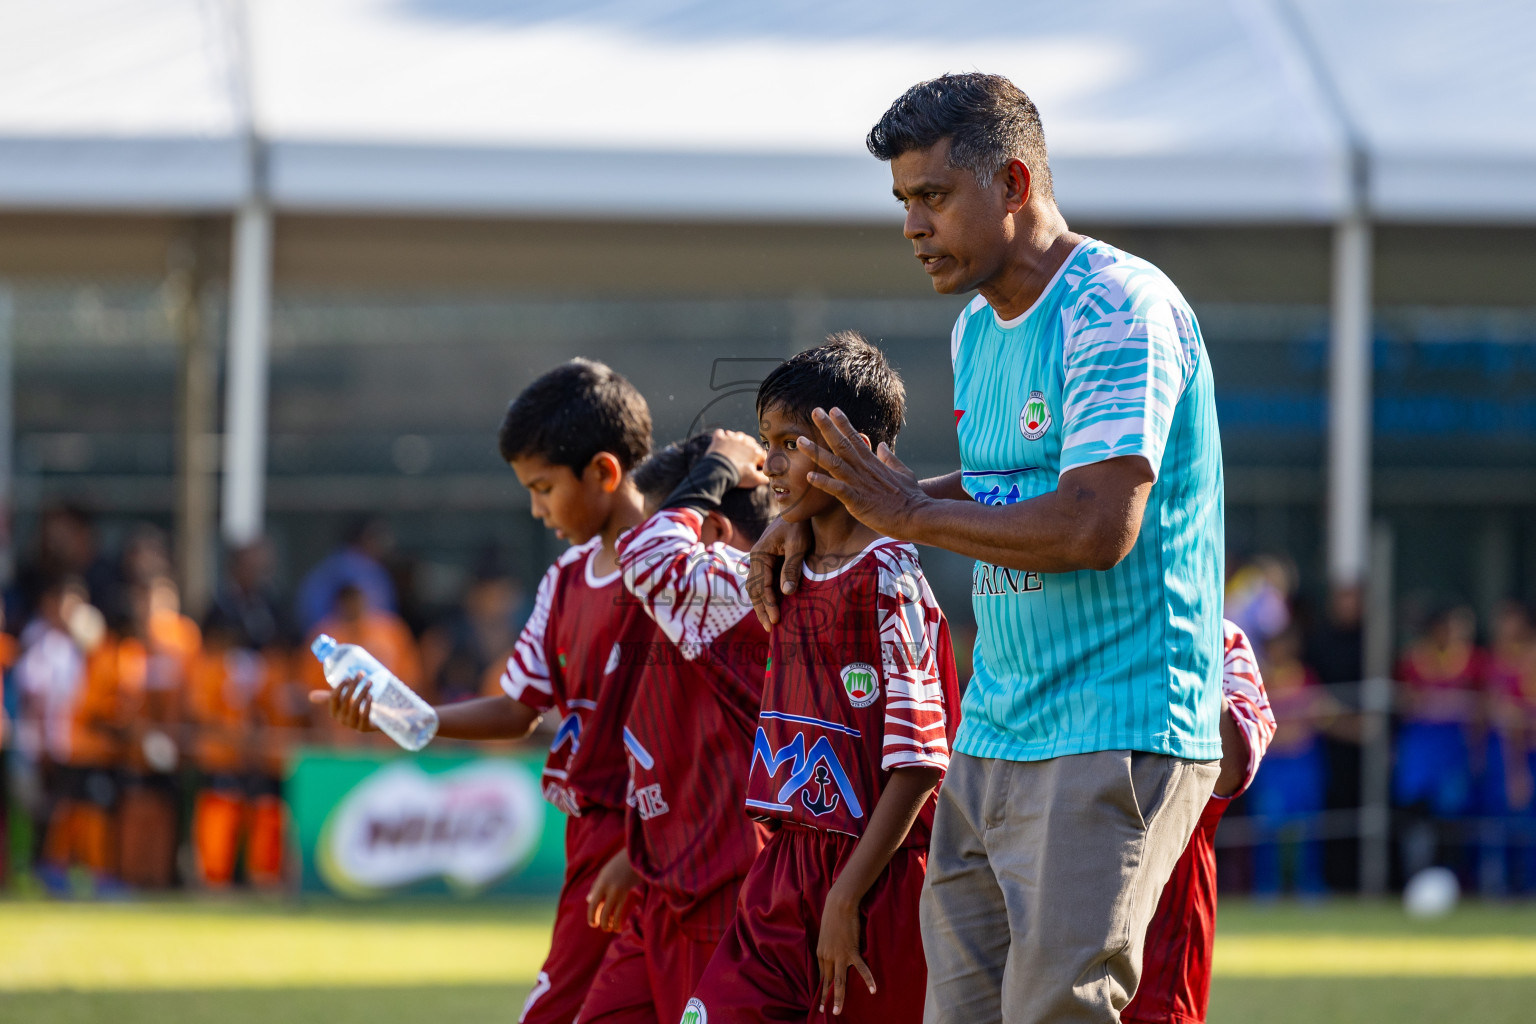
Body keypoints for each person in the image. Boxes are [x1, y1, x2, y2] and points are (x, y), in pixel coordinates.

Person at [750, 74, 1225, 1024]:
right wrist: (836, 508)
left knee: (1057, 1012)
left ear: (1012, 183)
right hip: (995, 731)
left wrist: (908, 516)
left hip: (1113, 724)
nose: (912, 226)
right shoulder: (978, 327)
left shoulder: (1117, 307)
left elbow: (1094, 524)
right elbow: (1009, 487)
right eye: (903, 203)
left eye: (932, 196)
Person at [316, 358, 655, 1024]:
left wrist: (649, 846)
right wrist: (402, 716)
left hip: (676, 841)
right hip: (595, 846)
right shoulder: (564, 580)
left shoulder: (682, 574)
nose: (535, 509)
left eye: (543, 487)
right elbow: (518, 708)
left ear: (604, 473)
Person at [687, 334, 960, 1023]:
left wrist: (846, 899)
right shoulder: (784, 567)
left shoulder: (892, 578)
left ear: (853, 448)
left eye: (787, 443)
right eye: (764, 440)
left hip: (875, 881)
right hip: (783, 870)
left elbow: (922, 763)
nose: (769, 463)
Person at [577, 430, 776, 1024]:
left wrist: (719, 463)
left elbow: (647, 556)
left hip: (723, 892)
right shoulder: (682, 609)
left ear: (710, 531)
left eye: (672, 516)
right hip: (663, 886)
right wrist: (636, 853)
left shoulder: (745, 586)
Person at [1124, 619, 1276, 1024]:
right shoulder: (1061, 616)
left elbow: (1229, 774)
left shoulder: (1222, 637)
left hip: (1165, 927)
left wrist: (1191, 648)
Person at [1243, 627, 1339, 898]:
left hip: (1303, 763)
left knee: (1308, 828)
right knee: (1266, 828)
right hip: (1272, 765)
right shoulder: (1257, 679)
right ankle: (1266, 888)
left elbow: (1324, 715)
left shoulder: (1306, 678)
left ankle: (1309, 885)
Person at [296, 518, 398, 634]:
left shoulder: (375, 571)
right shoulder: (346, 568)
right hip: (341, 640)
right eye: (377, 538)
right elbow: (311, 611)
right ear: (364, 538)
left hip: (370, 641)